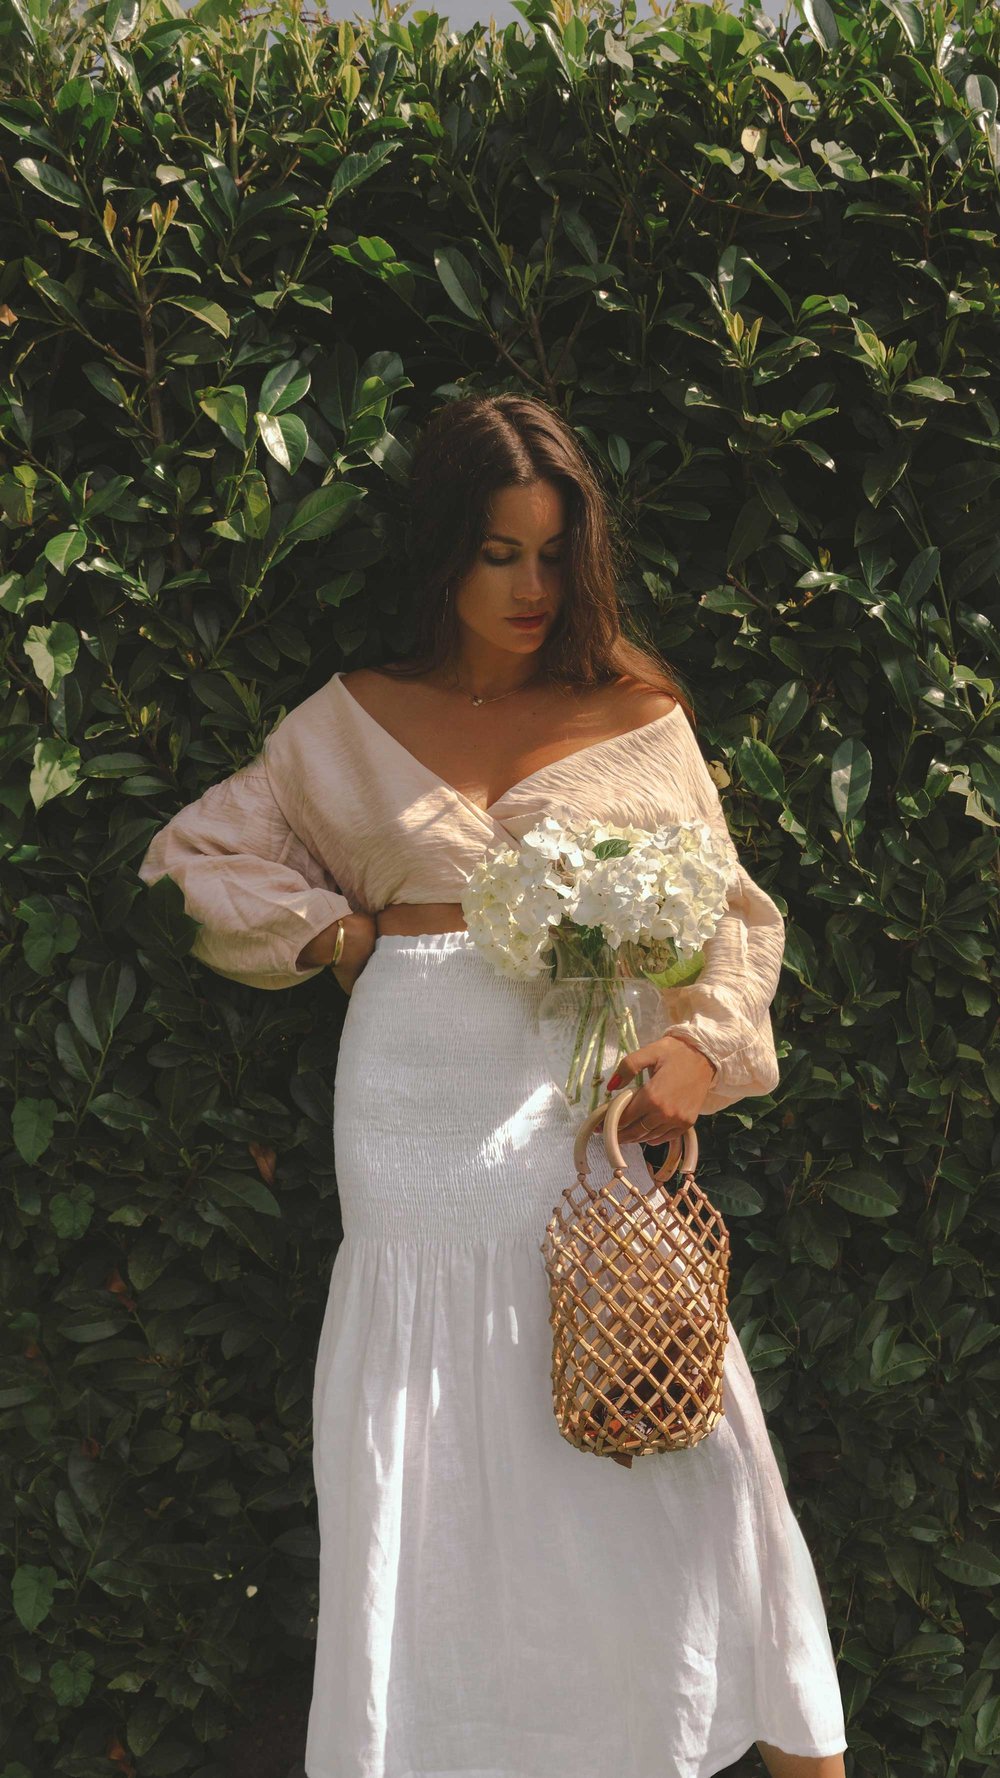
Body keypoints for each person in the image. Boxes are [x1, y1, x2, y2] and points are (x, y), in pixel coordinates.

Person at [137, 394, 848, 1778]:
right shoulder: (348, 724)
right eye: (497, 553)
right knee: (434, 1448)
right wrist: (342, 933)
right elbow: (200, 853)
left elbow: (735, 917)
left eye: (551, 553)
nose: (531, 588)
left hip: (576, 1116)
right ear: (438, 556)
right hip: (410, 1117)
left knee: (683, 1455)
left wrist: (696, 1056)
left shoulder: (636, 717)